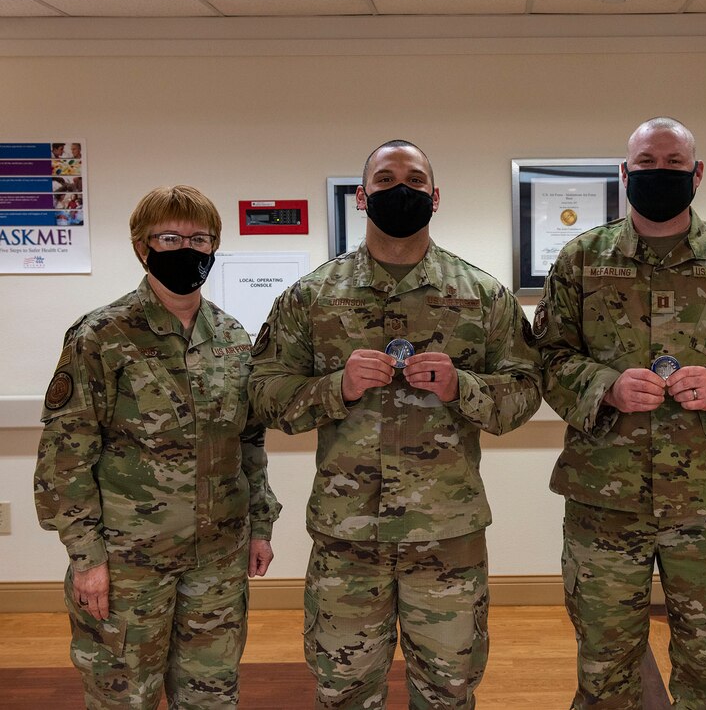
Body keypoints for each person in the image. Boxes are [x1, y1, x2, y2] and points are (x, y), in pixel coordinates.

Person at [247, 139, 542, 709]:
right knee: (345, 691)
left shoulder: (480, 296)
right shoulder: (311, 298)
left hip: (446, 535)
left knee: (448, 690)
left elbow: (527, 390)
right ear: (361, 197)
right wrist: (338, 387)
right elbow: (262, 394)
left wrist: (465, 387)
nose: (399, 189)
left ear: (435, 197)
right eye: (384, 180)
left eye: (413, 179)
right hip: (347, 536)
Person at [532, 117, 706, 708]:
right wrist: (603, 386)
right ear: (625, 174)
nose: (660, 173)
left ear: (697, 174)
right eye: (647, 164)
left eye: (674, 164)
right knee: (604, 666)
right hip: (605, 498)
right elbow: (544, 358)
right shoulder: (582, 259)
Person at [34, 185, 281, 708]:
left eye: (199, 238)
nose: (186, 249)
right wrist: (87, 558)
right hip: (128, 564)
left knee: (211, 695)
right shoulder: (100, 336)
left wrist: (260, 525)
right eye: (169, 237)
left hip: (218, 558)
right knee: (124, 696)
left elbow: (250, 442)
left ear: (215, 248)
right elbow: (66, 454)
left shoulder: (233, 337)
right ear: (141, 247)